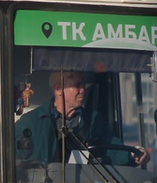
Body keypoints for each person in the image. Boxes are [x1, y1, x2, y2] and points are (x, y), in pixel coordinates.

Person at [15, 69, 148, 166]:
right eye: (77, 85)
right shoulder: (30, 123)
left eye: (83, 85)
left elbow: (113, 150)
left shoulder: (94, 121)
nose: (83, 90)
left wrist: (133, 154)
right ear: (58, 89)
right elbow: (11, 162)